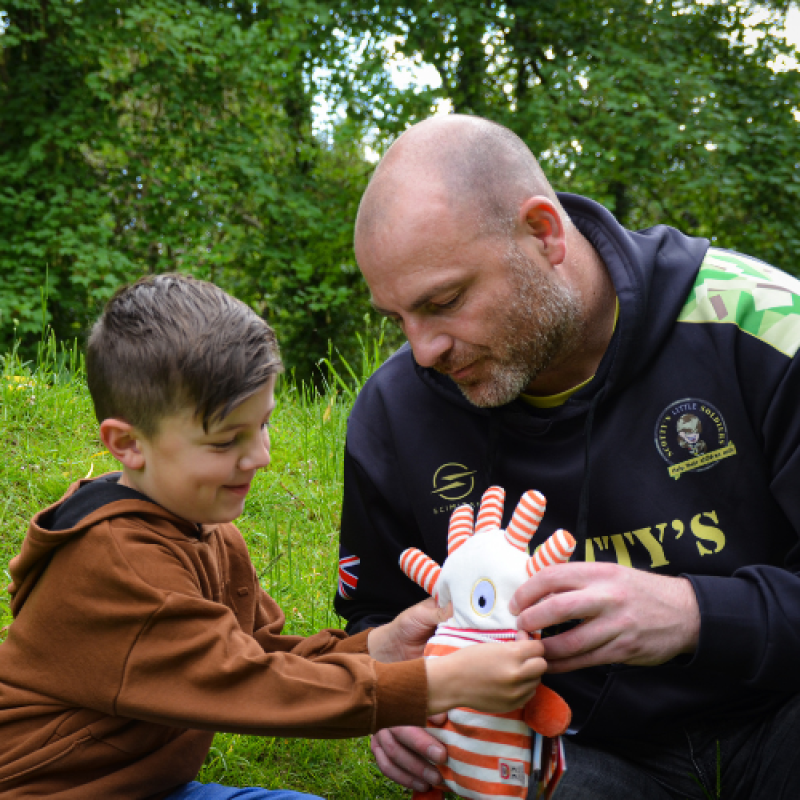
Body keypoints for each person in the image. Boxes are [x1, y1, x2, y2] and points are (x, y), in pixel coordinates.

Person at [334, 114, 800, 798]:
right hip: (559, 754)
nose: (424, 348)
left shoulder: (766, 328)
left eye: (444, 301)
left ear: (543, 233)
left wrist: (696, 613)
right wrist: (397, 700)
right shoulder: (394, 412)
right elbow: (377, 613)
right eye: (398, 318)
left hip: (779, 714)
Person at [0, 274, 549, 800]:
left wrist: (382, 646)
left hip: (146, 785)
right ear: (128, 443)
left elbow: (256, 652)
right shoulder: (114, 562)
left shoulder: (205, 528)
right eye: (224, 441)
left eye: (262, 424)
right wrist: (434, 685)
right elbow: (247, 684)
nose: (259, 456)